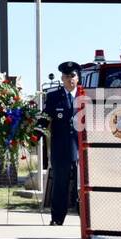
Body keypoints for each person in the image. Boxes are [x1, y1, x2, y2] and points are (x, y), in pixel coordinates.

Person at [42, 61, 81, 225]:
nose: (70, 79)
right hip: (61, 148)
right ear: (62, 78)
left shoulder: (86, 96)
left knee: (84, 186)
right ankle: (57, 218)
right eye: (66, 76)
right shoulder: (53, 97)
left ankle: (87, 219)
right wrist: (33, 134)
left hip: (82, 148)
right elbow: (44, 119)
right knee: (60, 184)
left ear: (77, 78)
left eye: (72, 76)